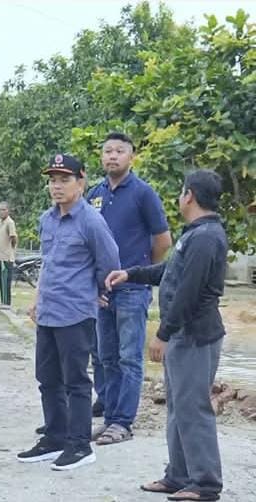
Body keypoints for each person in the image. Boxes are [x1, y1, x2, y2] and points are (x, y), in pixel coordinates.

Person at [107, 170, 227, 502]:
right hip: (184, 336)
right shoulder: (195, 234)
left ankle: (205, 483)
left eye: (180, 192)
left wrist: (162, 334)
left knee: (194, 407)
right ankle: (178, 476)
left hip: (196, 336)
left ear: (189, 195)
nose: (178, 197)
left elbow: (188, 293)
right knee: (178, 407)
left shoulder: (206, 238)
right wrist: (130, 273)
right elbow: (169, 272)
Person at [17, 154, 119, 471]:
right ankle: (54, 437)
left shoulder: (90, 220)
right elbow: (48, 264)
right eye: (53, 180)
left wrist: (99, 293)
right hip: (48, 311)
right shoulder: (47, 219)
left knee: (75, 381)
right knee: (47, 378)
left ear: (80, 181)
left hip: (76, 313)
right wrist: (37, 300)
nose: (57, 186)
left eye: (64, 179)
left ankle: (79, 445)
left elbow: (110, 263)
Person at [87, 132, 172, 444]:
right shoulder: (94, 194)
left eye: (119, 151)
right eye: (107, 151)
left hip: (132, 289)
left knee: (129, 357)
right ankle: (109, 416)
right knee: (104, 356)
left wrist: (140, 272)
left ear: (131, 157)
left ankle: (123, 422)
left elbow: (163, 240)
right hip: (102, 289)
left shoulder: (143, 193)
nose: (112, 156)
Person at [0, 201, 18, 309]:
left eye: (4, 209)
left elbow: (13, 237)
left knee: (6, 281)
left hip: (6, 257)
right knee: (1, 280)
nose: (1, 211)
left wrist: (11, 250)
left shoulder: (10, 222)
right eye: (0, 209)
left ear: (8, 211)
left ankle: (7, 303)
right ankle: (2, 301)